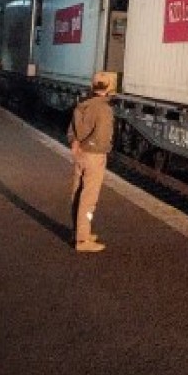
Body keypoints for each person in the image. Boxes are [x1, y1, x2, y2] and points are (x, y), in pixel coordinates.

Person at [68, 76, 115, 253]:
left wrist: (76, 142)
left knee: (77, 193)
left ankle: (77, 232)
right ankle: (82, 239)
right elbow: (102, 137)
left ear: (92, 86)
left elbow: (71, 130)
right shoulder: (104, 109)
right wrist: (100, 149)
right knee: (89, 198)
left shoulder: (82, 104)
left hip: (79, 154)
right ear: (109, 88)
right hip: (94, 156)